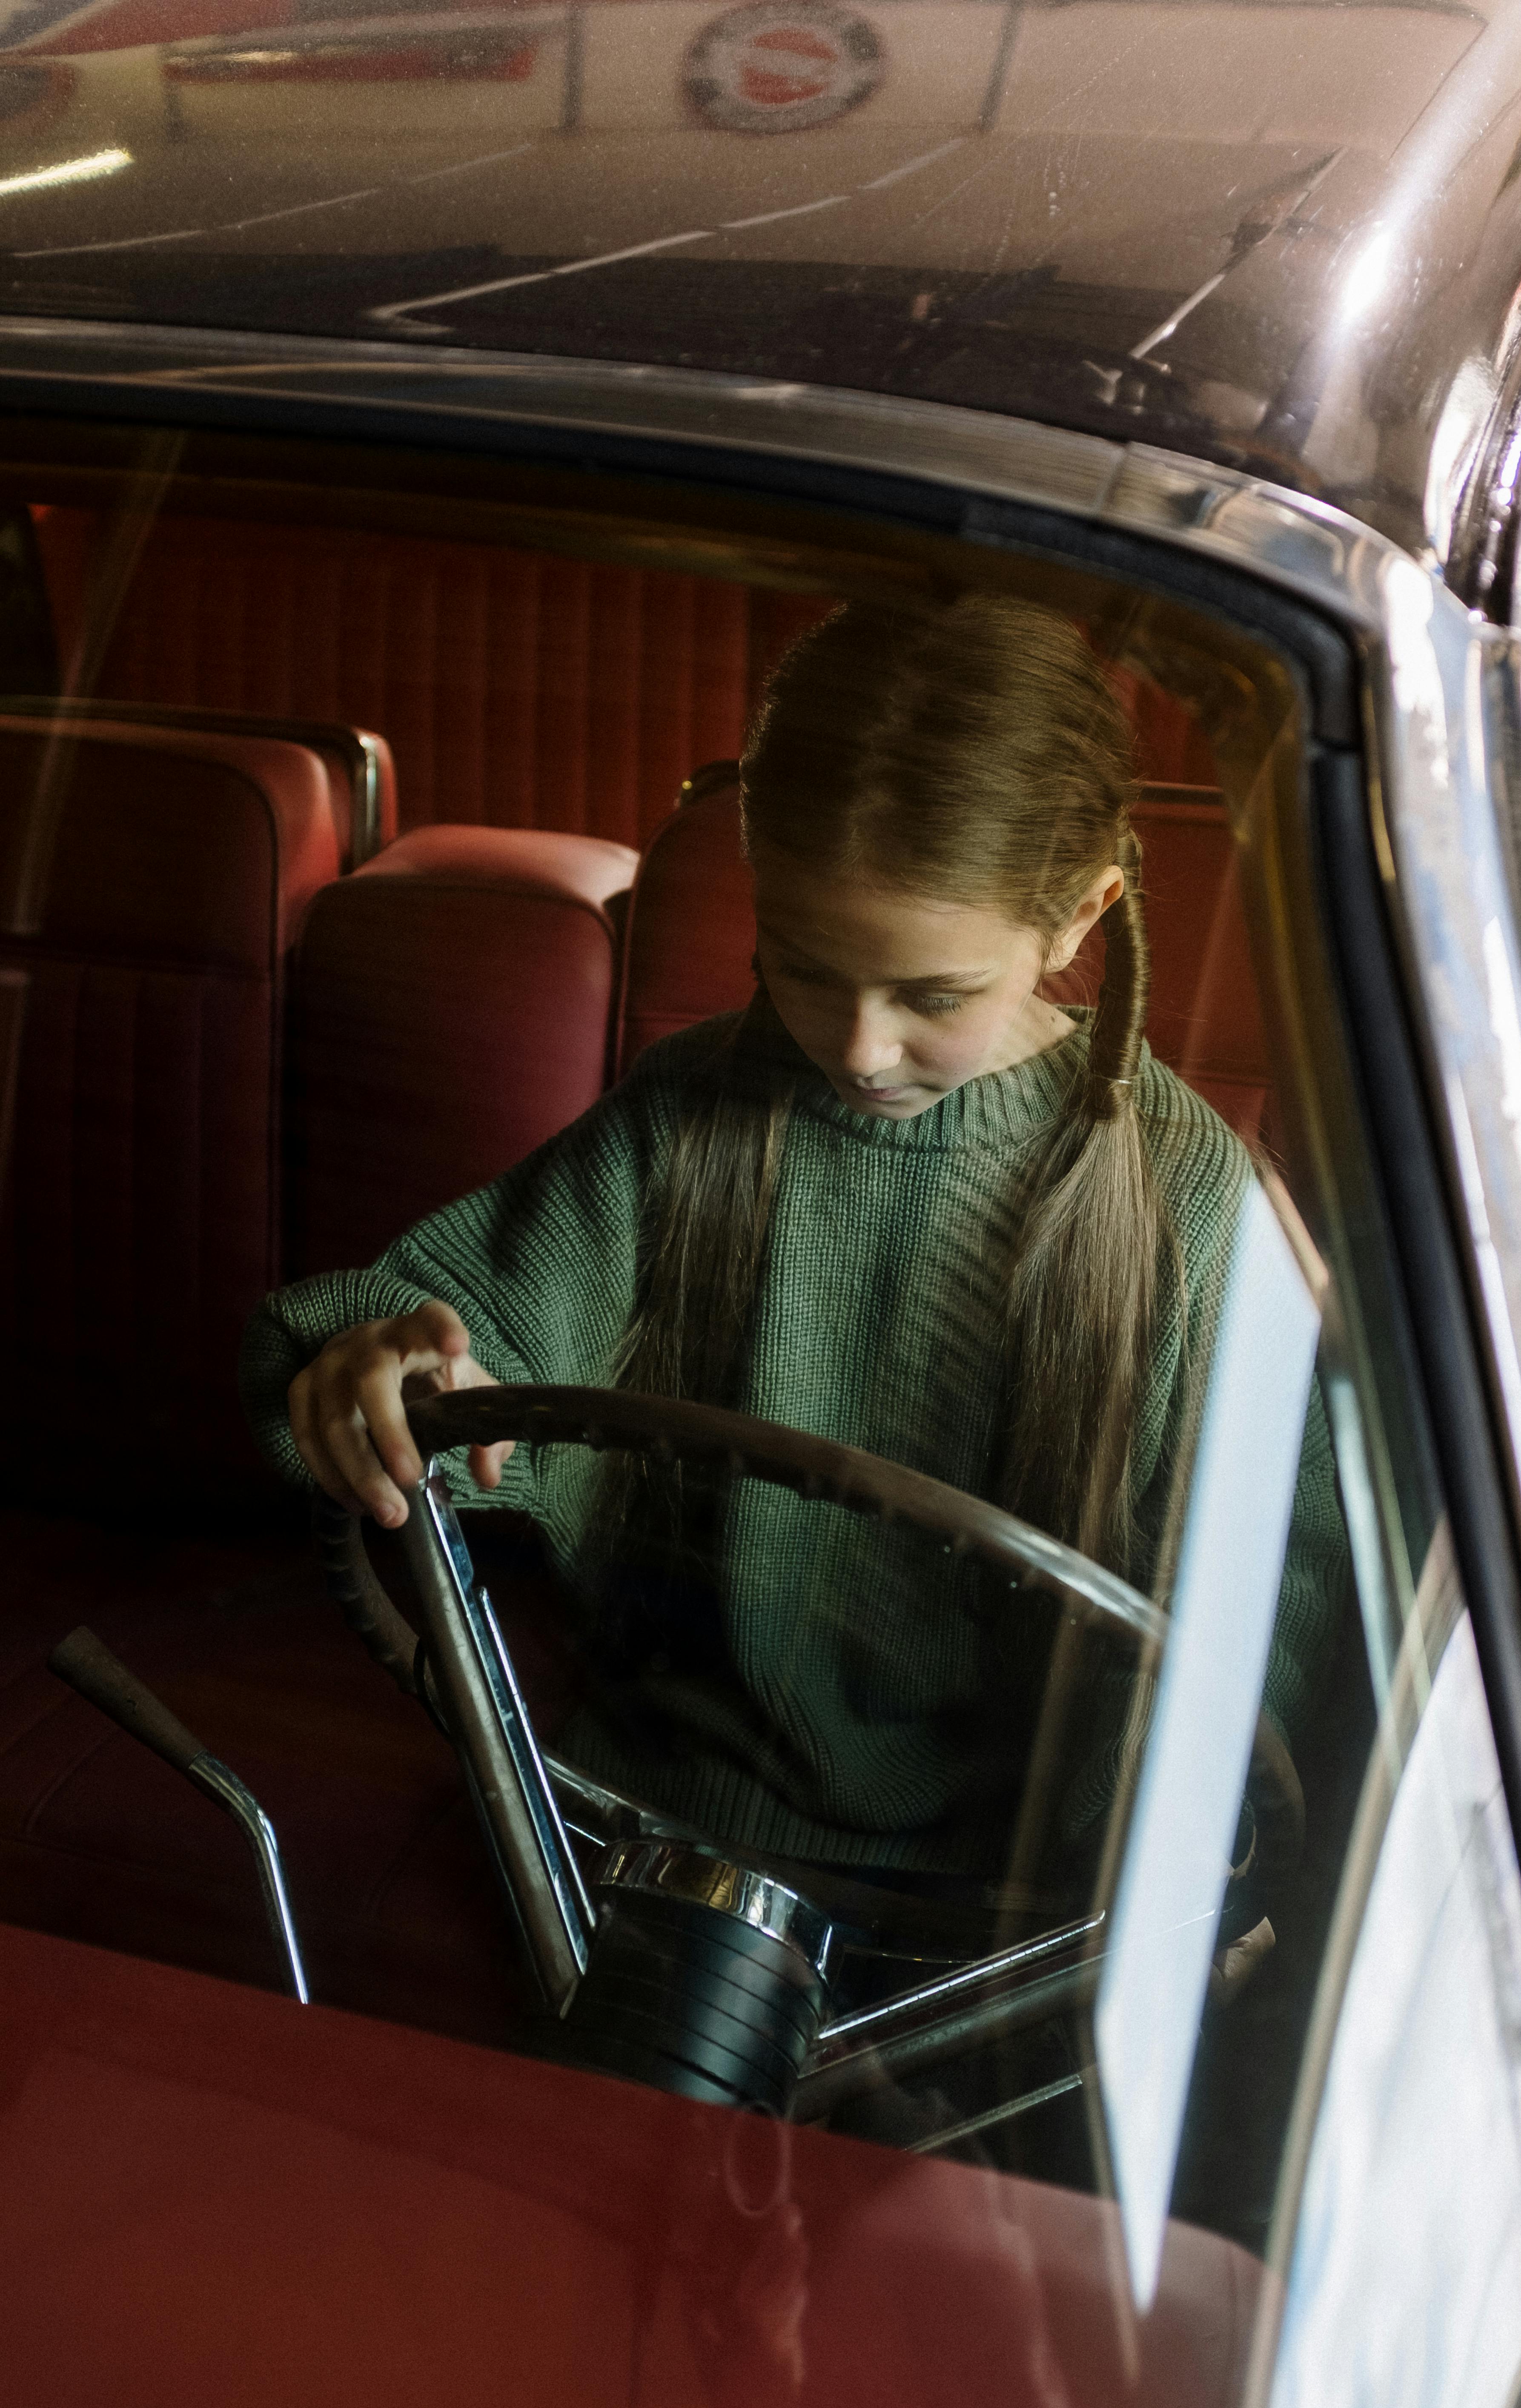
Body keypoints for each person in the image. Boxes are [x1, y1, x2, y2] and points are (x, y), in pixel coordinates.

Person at [241, 596, 1345, 1884]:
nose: (862, 1050)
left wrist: (1148, 1892)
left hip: (1021, 1895)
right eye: (807, 968)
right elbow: (437, 1326)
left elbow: (1268, 1620)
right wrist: (398, 1377)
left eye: (933, 996)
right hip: (636, 1827)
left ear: (1079, 920)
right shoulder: (695, 1110)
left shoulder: (1198, 1205)